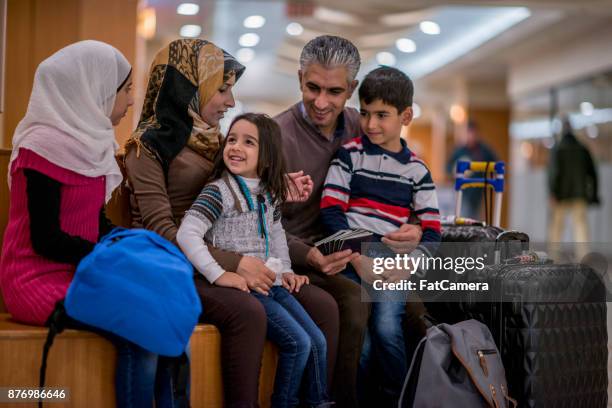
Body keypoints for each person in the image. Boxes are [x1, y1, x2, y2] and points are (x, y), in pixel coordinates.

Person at [124, 38, 339, 407]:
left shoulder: (217, 143)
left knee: (324, 305)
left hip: (225, 256)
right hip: (178, 265)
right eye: (221, 89)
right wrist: (235, 264)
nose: (230, 101)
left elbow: (252, 218)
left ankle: (314, 399)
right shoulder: (147, 147)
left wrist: (300, 255)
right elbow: (161, 229)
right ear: (189, 87)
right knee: (248, 311)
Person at [0, 40, 181, 407]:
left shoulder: (92, 142)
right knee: (143, 326)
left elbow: (92, 223)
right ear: (94, 86)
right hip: (36, 277)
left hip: (79, 271)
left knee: (167, 314)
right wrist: (117, 259)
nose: (131, 101)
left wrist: (137, 246)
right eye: (126, 90)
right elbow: (46, 239)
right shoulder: (41, 146)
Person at [275, 35, 423, 407]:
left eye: (334, 91)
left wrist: (417, 227)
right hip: (297, 254)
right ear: (299, 79)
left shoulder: (366, 126)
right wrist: (340, 257)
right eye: (312, 87)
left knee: (416, 306)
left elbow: (408, 179)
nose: (321, 102)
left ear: (352, 90)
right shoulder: (276, 135)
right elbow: (261, 221)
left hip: (357, 249)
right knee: (356, 308)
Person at [177, 113, 331, 408]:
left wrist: (286, 270)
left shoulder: (268, 193)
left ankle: (317, 401)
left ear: (268, 157)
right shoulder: (219, 191)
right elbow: (187, 234)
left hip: (270, 282)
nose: (236, 147)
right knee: (298, 344)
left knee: (317, 342)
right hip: (246, 288)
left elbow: (276, 234)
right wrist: (218, 274)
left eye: (249, 142)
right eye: (232, 139)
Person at [320, 66, 441, 406]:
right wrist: (357, 257)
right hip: (352, 256)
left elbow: (433, 233)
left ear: (406, 116)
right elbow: (331, 212)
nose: (371, 124)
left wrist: (409, 267)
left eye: (382, 115)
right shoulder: (349, 155)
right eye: (366, 113)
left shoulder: (417, 170)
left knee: (388, 330)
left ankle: (397, 399)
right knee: (363, 344)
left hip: (394, 263)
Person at [548, 115, 600, 254]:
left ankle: (554, 256)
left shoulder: (558, 149)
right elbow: (593, 173)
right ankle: (583, 256)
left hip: (561, 195)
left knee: (557, 228)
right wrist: (594, 195)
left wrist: (552, 192)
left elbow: (554, 173)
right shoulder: (583, 149)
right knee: (581, 227)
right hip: (579, 194)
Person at [446, 120, 498, 220]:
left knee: (475, 217)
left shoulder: (484, 149)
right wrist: (454, 171)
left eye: (472, 133)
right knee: (464, 215)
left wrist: (496, 179)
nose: (470, 136)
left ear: (476, 133)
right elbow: (448, 167)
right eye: (468, 133)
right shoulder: (459, 150)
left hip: (478, 191)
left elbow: (495, 164)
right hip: (462, 190)